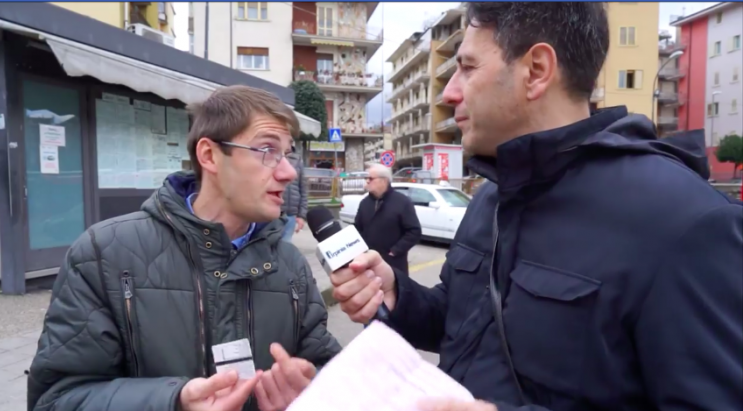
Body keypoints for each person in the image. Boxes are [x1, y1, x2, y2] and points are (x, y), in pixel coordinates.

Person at [330, 3, 743, 411]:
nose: (450, 90)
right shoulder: (492, 195)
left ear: (537, 70)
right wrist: (398, 296)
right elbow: (460, 324)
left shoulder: (684, 221)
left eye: (468, 67)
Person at [27, 85, 341, 411]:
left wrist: (312, 391)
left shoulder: (292, 267)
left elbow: (330, 372)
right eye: (267, 150)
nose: (288, 171)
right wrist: (172, 402)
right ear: (209, 156)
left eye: (288, 153)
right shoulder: (102, 254)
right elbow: (56, 400)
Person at [354, 164, 421, 275]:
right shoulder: (364, 203)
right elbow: (357, 229)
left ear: (383, 181)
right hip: (368, 264)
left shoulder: (402, 202)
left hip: (393, 265)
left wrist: (395, 251)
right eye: (366, 178)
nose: (367, 181)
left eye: (370, 178)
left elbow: (414, 232)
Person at [280, 156, 308, 242]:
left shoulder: (297, 160)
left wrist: (301, 216)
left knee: (286, 246)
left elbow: (303, 190)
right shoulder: (273, 155)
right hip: (274, 213)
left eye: (291, 141)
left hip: (290, 215)